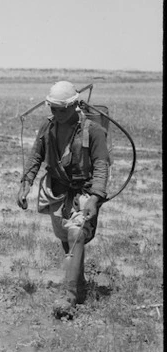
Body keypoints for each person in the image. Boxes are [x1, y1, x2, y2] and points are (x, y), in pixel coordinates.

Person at [17, 81, 110, 319]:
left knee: (76, 232)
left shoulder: (94, 131)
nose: (57, 114)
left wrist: (95, 199)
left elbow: (101, 166)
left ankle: (69, 295)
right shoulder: (48, 127)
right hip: (57, 190)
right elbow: (36, 155)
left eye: (62, 110)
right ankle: (79, 283)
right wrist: (25, 183)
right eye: (53, 109)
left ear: (75, 105)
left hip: (84, 192)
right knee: (66, 239)